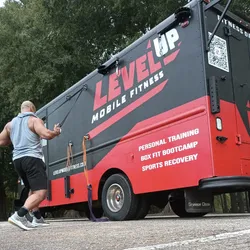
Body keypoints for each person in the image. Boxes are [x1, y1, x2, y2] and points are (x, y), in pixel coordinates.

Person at [0, 101, 61, 230]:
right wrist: (56, 132)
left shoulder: (10, 124)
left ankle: (37, 217)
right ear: (32, 109)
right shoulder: (34, 120)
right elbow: (46, 134)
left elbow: (2, 141)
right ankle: (19, 215)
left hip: (18, 161)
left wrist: (15, 137)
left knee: (33, 188)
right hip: (32, 159)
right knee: (40, 192)